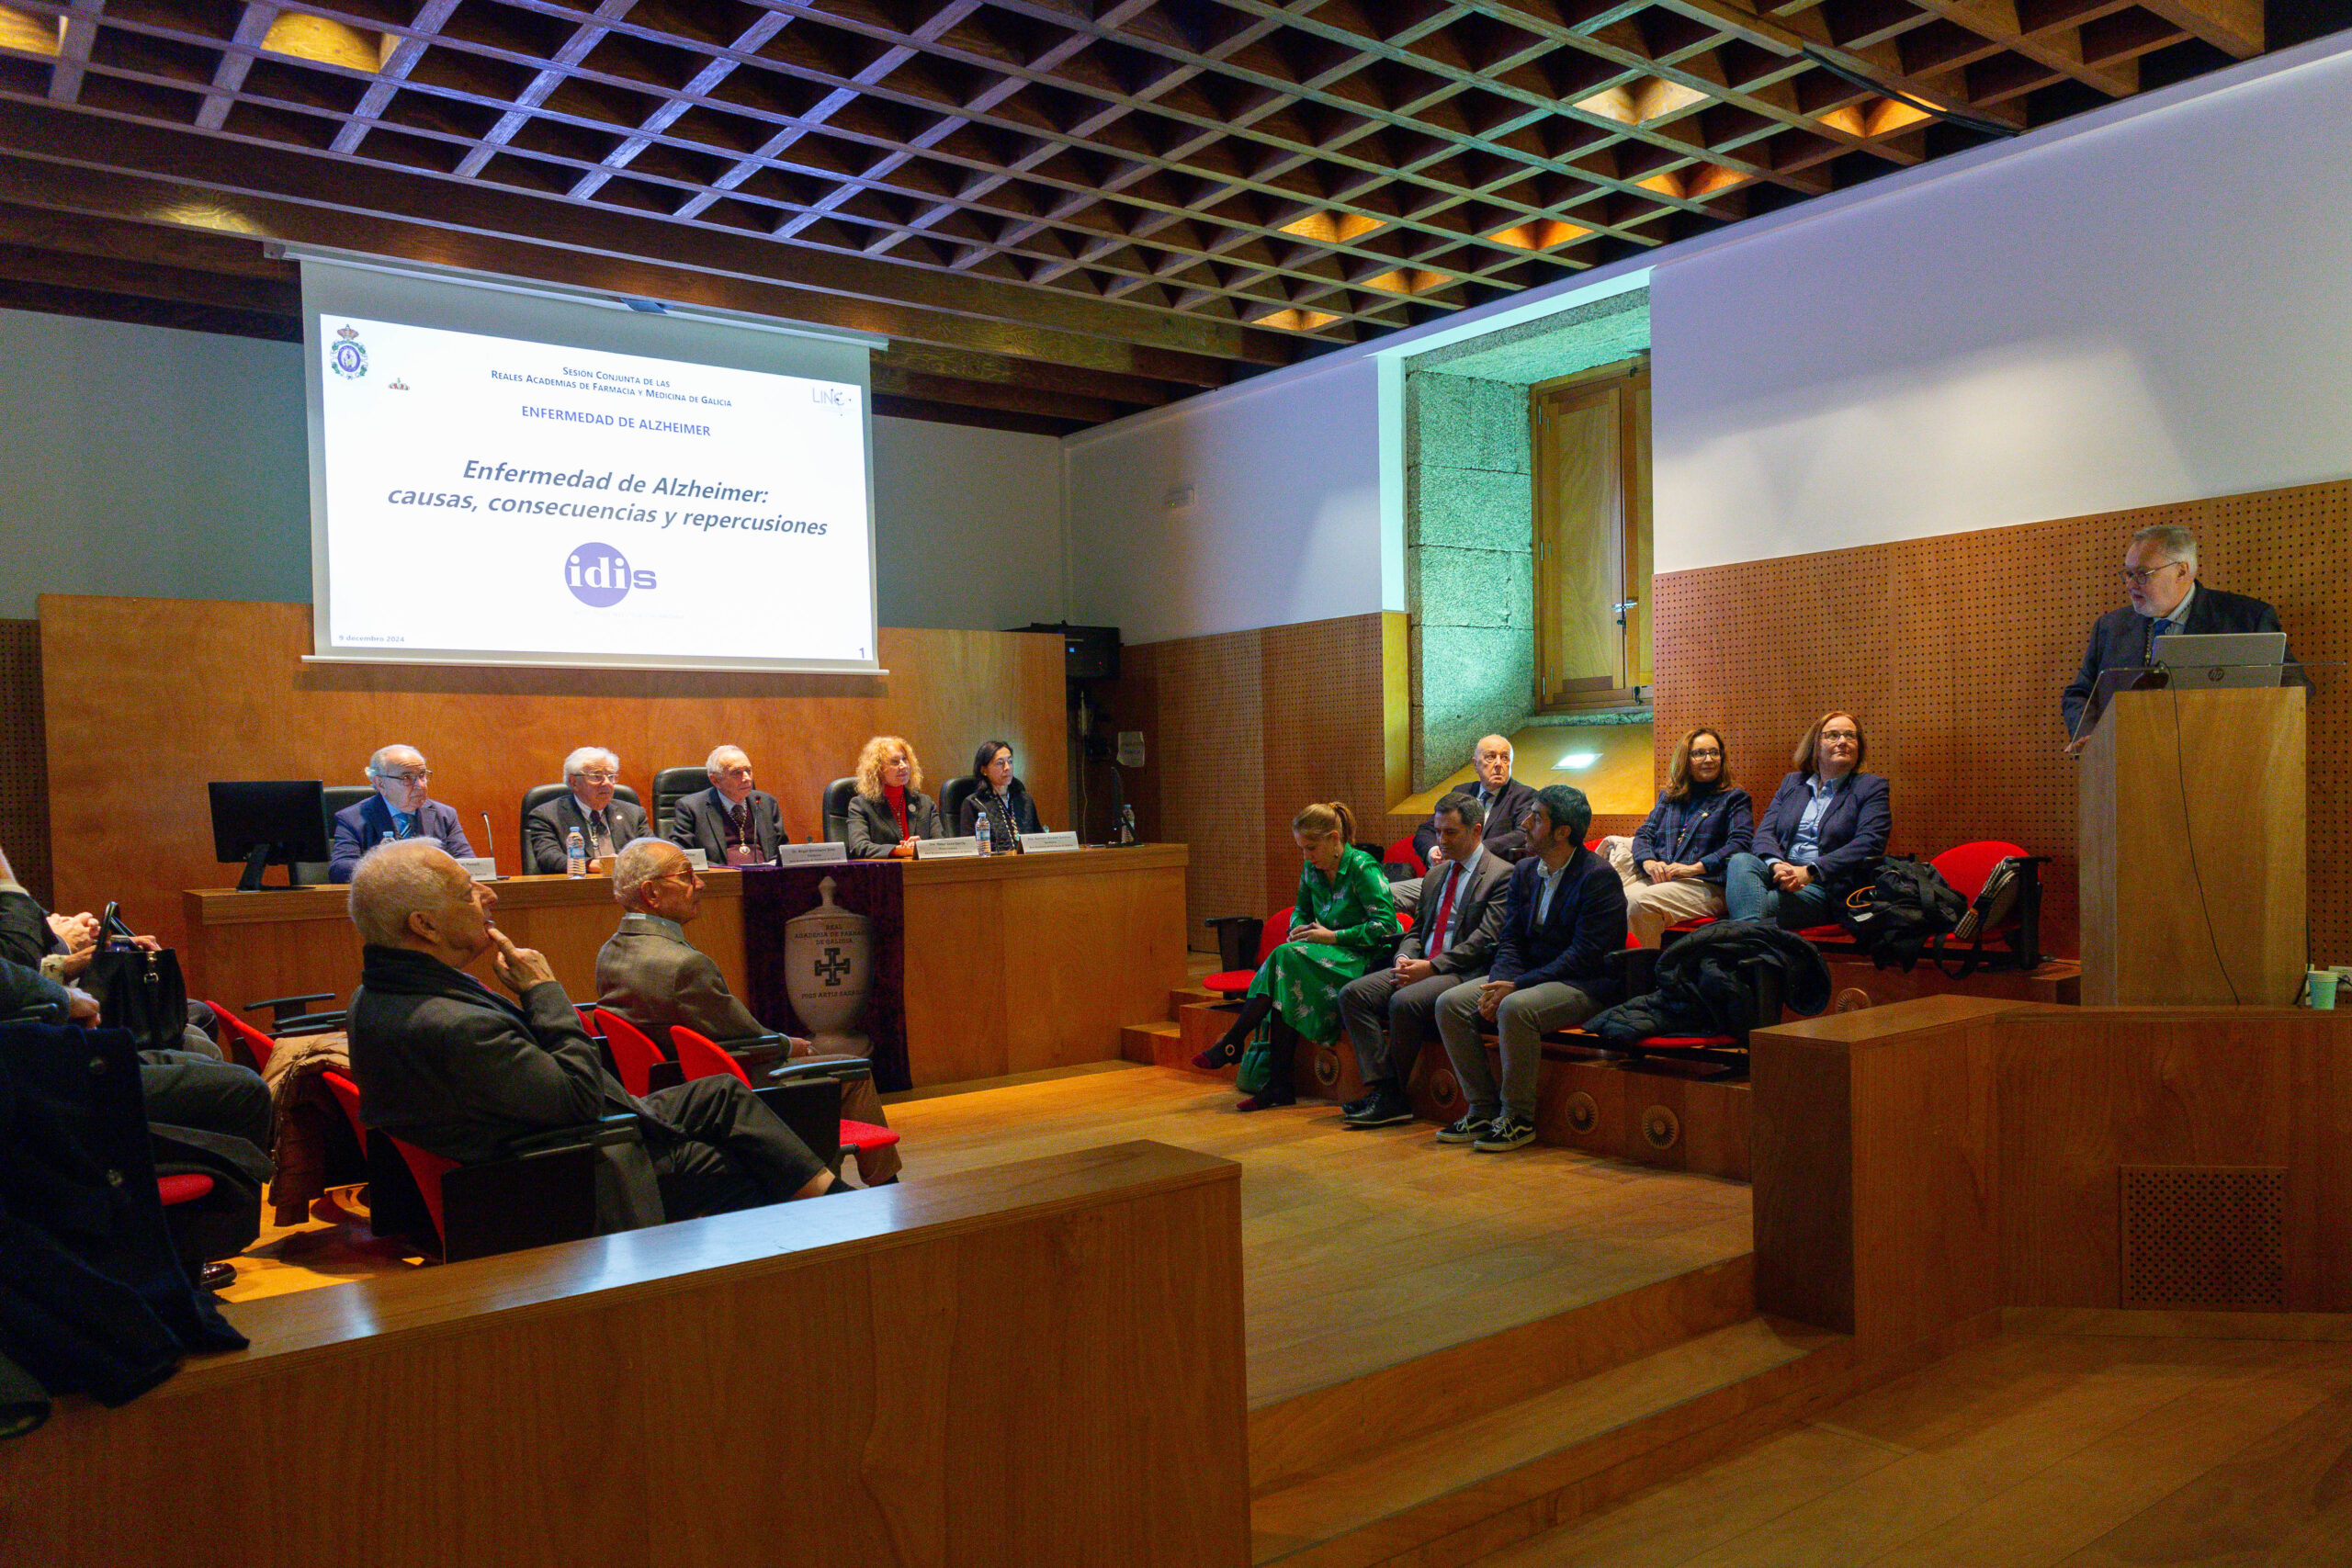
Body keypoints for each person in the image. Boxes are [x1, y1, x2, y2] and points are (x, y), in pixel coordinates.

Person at [345, 841, 834, 1227]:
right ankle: (834, 1231)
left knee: (723, 1094)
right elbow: (578, 1098)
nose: (489, 895)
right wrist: (544, 992)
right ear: (425, 925)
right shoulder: (454, 1024)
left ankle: (836, 1204)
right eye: (468, 891)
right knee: (748, 1161)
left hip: (558, 1138)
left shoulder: (376, 995)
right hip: (568, 1179)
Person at [595, 840, 899, 1183]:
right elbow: (750, 1040)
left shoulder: (609, 952)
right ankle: (885, 1189)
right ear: (652, 893)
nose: (701, 884)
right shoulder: (684, 965)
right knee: (854, 1069)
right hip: (730, 1098)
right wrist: (793, 1045)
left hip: (665, 1091)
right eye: (687, 876)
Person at [0, 846, 272, 1149]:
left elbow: (20, 957)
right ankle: (147, 1168)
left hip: (37, 1041)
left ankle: (203, 1159)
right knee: (242, 1085)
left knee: (196, 1019)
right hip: (30, 1070)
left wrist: (83, 949)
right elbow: (18, 960)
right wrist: (61, 952)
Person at [1432, 785, 1625, 1152]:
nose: (1523, 823)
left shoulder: (1598, 877)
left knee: (1515, 1007)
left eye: (1536, 818)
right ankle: (1482, 1109)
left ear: (1562, 831)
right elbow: (1510, 939)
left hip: (1585, 984)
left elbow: (1584, 955)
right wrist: (1500, 980)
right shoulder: (1524, 870)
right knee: (1450, 1004)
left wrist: (1517, 985)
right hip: (1530, 978)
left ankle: (1517, 1118)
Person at [1191, 802, 1400, 1111]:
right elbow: (1301, 909)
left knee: (1284, 960)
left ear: (1334, 838)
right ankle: (1275, 1082)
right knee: (1285, 968)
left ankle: (1238, 1047)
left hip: (1363, 957)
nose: (1306, 856)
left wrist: (1332, 936)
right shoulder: (1312, 869)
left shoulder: (1362, 867)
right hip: (1325, 954)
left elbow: (1385, 927)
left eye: (1311, 848)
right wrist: (1296, 929)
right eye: (1302, 849)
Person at [1337, 792, 1511, 1129]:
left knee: (1404, 1001)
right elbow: (1417, 930)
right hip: (1421, 964)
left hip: (1464, 971)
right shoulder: (1435, 875)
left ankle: (1390, 1096)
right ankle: (1386, 1089)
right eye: (1438, 831)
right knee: (1353, 994)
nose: (1441, 841)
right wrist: (1404, 957)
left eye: (1450, 832)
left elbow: (1486, 940)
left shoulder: (1501, 874)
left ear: (1476, 831)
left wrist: (1431, 967)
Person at [2062, 523, 2296, 749]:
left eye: (2142, 574)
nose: (2130, 584)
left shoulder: (2245, 619)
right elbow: (2080, 694)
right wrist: (2093, 737)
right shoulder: (2111, 627)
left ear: (2181, 571)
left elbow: (2293, 687)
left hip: (2219, 758)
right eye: (2128, 574)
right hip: (2129, 760)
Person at [1723, 713, 1890, 930]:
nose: (1843, 741)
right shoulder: (1793, 783)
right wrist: (1777, 865)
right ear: (1815, 746)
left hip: (1827, 886)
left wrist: (1811, 871)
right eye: (1833, 735)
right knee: (1740, 861)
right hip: (1781, 873)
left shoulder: (1871, 787)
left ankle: (1750, 943)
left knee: (1754, 904)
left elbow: (1870, 842)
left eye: (1850, 735)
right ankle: (1756, 943)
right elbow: (1764, 833)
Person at [1622, 727, 1753, 947]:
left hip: (1707, 884)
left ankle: (1644, 969)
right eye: (1699, 753)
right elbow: (1644, 834)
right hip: (1664, 879)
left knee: (1640, 903)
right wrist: (1649, 862)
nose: (1709, 759)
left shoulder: (1734, 798)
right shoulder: (1669, 797)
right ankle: (1617, 968)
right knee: (1613, 902)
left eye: (1714, 752)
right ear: (1685, 759)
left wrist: (1694, 868)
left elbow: (1740, 844)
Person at [329, 744, 475, 882]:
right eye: (406, 778)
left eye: (422, 775)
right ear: (380, 783)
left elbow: (469, 863)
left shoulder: (444, 815)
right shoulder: (352, 818)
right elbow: (340, 869)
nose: (420, 785)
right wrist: (389, 864)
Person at [1413, 735, 1540, 865]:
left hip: (1493, 871)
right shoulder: (1462, 792)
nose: (1498, 764)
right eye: (1491, 757)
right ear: (1475, 764)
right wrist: (1433, 851)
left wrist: (1472, 851)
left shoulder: (1525, 795)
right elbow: (1427, 829)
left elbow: (1522, 834)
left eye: (1504, 757)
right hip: (1449, 868)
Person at [525, 747, 650, 874]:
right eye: (597, 776)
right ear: (574, 782)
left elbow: (653, 852)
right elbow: (548, 858)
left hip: (627, 884)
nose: (607, 783)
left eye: (611, 776)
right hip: (577, 885)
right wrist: (594, 865)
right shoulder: (547, 815)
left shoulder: (633, 813)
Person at [669, 745, 786, 865]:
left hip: (766, 874)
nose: (747, 778)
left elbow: (783, 849)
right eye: (737, 773)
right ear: (715, 780)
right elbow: (683, 855)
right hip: (721, 875)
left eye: (748, 770)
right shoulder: (691, 808)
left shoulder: (766, 803)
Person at [845, 736, 945, 859]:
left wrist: (922, 846)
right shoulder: (860, 805)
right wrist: (900, 850)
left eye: (905, 759)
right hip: (885, 869)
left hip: (922, 869)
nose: (903, 766)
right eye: (895, 762)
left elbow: (941, 844)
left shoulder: (925, 803)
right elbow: (859, 847)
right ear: (878, 769)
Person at [956, 739, 1045, 845]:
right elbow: (970, 848)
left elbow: (1039, 840)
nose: (1007, 768)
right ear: (984, 770)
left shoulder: (1025, 800)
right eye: (1000, 763)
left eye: (1010, 761)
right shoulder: (973, 804)